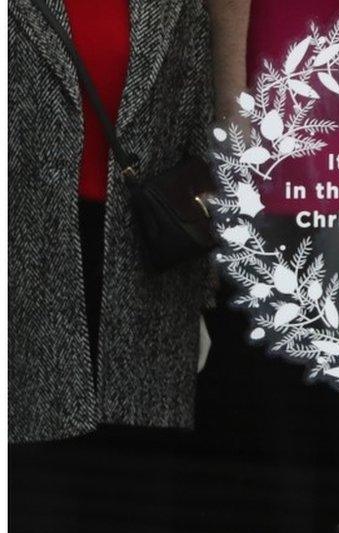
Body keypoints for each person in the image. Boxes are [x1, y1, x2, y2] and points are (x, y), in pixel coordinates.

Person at [8, 0, 213, 443]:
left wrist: (199, 297)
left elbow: (198, 144)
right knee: (41, 474)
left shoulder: (180, 8)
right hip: (27, 261)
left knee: (133, 475)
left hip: (147, 268)